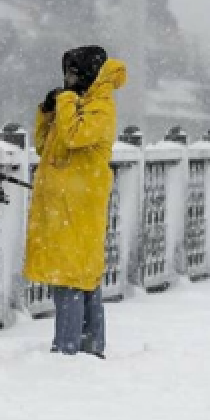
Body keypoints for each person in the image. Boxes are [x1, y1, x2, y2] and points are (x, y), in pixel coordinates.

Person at [24, 45, 126, 358]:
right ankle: (90, 346)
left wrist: (66, 100)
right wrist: (47, 112)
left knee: (72, 277)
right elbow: (46, 147)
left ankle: (68, 349)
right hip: (62, 207)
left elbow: (73, 137)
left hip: (80, 208)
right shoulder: (79, 104)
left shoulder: (101, 108)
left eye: (73, 73)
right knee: (79, 274)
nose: (68, 80)